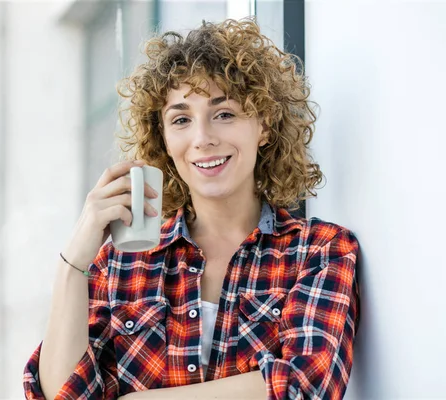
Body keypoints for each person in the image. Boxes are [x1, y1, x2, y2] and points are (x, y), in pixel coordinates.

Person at [23, 18, 360, 400]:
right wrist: (73, 263)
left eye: (224, 114)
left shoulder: (319, 251)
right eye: (181, 119)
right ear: (164, 139)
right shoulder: (119, 264)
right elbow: (62, 394)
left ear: (264, 126)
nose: (202, 139)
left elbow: (303, 388)